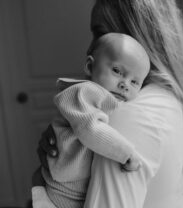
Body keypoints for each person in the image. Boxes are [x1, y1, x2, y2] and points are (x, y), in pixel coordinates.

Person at [33, 0, 183, 208]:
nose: (89, 46)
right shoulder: (172, 99)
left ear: (138, 37)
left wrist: (40, 184)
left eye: (100, 33)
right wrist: (66, 145)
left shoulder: (130, 113)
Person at [33, 33, 150, 208]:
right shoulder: (84, 92)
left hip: (73, 192)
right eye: (117, 71)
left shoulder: (111, 99)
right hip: (61, 194)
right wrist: (127, 154)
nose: (125, 84)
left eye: (135, 82)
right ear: (89, 66)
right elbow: (90, 129)